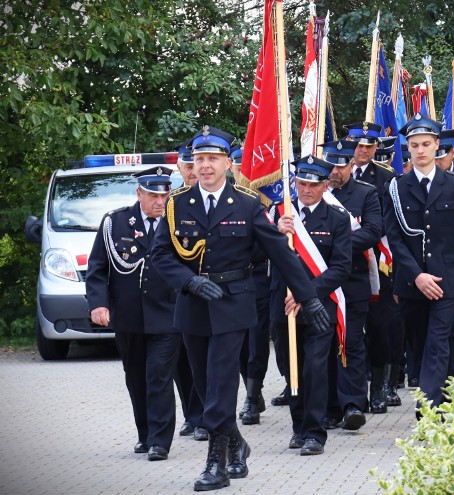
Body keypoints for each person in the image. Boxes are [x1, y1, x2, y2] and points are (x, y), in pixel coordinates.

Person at [151, 126, 330, 491]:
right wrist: (187, 281)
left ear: (228, 164)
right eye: (199, 159)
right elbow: (160, 255)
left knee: (220, 382)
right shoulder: (176, 204)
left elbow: (281, 254)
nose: (204, 166)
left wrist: (309, 297)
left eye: (212, 159)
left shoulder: (248, 204)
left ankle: (215, 463)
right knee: (203, 385)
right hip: (193, 305)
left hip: (233, 302)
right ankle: (237, 444)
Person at [383, 113, 454, 410]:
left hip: (450, 282)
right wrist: (417, 275)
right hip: (413, 284)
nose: (419, 150)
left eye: (426, 144)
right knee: (420, 346)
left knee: (441, 343)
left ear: (436, 146)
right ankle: (442, 402)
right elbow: (395, 238)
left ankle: (430, 408)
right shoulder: (395, 187)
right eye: (414, 145)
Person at [86, 166, 180, 461]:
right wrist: (98, 304)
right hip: (129, 316)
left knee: (159, 376)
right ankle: (145, 434)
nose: (159, 201)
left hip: (167, 314)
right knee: (136, 377)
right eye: (153, 195)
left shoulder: (178, 222)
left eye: (164, 195)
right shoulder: (116, 223)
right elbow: (98, 268)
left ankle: (160, 442)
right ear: (139, 194)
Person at [270, 154, 352, 454]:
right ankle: (298, 425)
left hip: (319, 306)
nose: (305, 189)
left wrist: (307, 294)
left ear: (324, 186)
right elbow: (255, 252)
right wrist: (276, 233)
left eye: (312, 185)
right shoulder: (279, 215)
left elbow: (341, 267)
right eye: (301, 183)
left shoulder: (337, 219)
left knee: (315, 369)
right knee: (291, 365)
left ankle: (315, 432)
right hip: (283, 303)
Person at [319, 139, 383, 430]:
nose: (335, 171)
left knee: (351, 342)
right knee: (326, 343)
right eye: (331, 164)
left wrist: (335, 246)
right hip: (320, 283)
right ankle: (330, 406)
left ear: (351, 165)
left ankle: (353, 404)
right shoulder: (313, 192)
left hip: (352, 281)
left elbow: (372, 231)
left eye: (341, 165)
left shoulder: (366, 194)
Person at [343, 121, 404, 409]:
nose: (362, 150)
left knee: (381, 326)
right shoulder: (334, 176)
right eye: (358, 145)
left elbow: (393, 221)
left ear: (376, 148)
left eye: (369, 146)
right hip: (345, 263)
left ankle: (380, 385)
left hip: (380, 263)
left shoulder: (387, 178)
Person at [229, 145, 271, 426]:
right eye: (237, 163)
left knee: (256, 339)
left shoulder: (267, 197)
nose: (242, 169)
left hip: (259, 275)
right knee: (240, 342)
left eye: (247, 164)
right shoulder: (227, 198)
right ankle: (251, 387)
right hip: (232, 279)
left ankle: (252, 397)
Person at [173, 145, 208, 442]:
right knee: (182, 361)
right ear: (181, 168)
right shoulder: (172, 202)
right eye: (189, 165)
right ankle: (191, 413)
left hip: (211, 292)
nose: (194, 170)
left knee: (207, 361)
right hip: (177, 292)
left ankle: (204, 416)